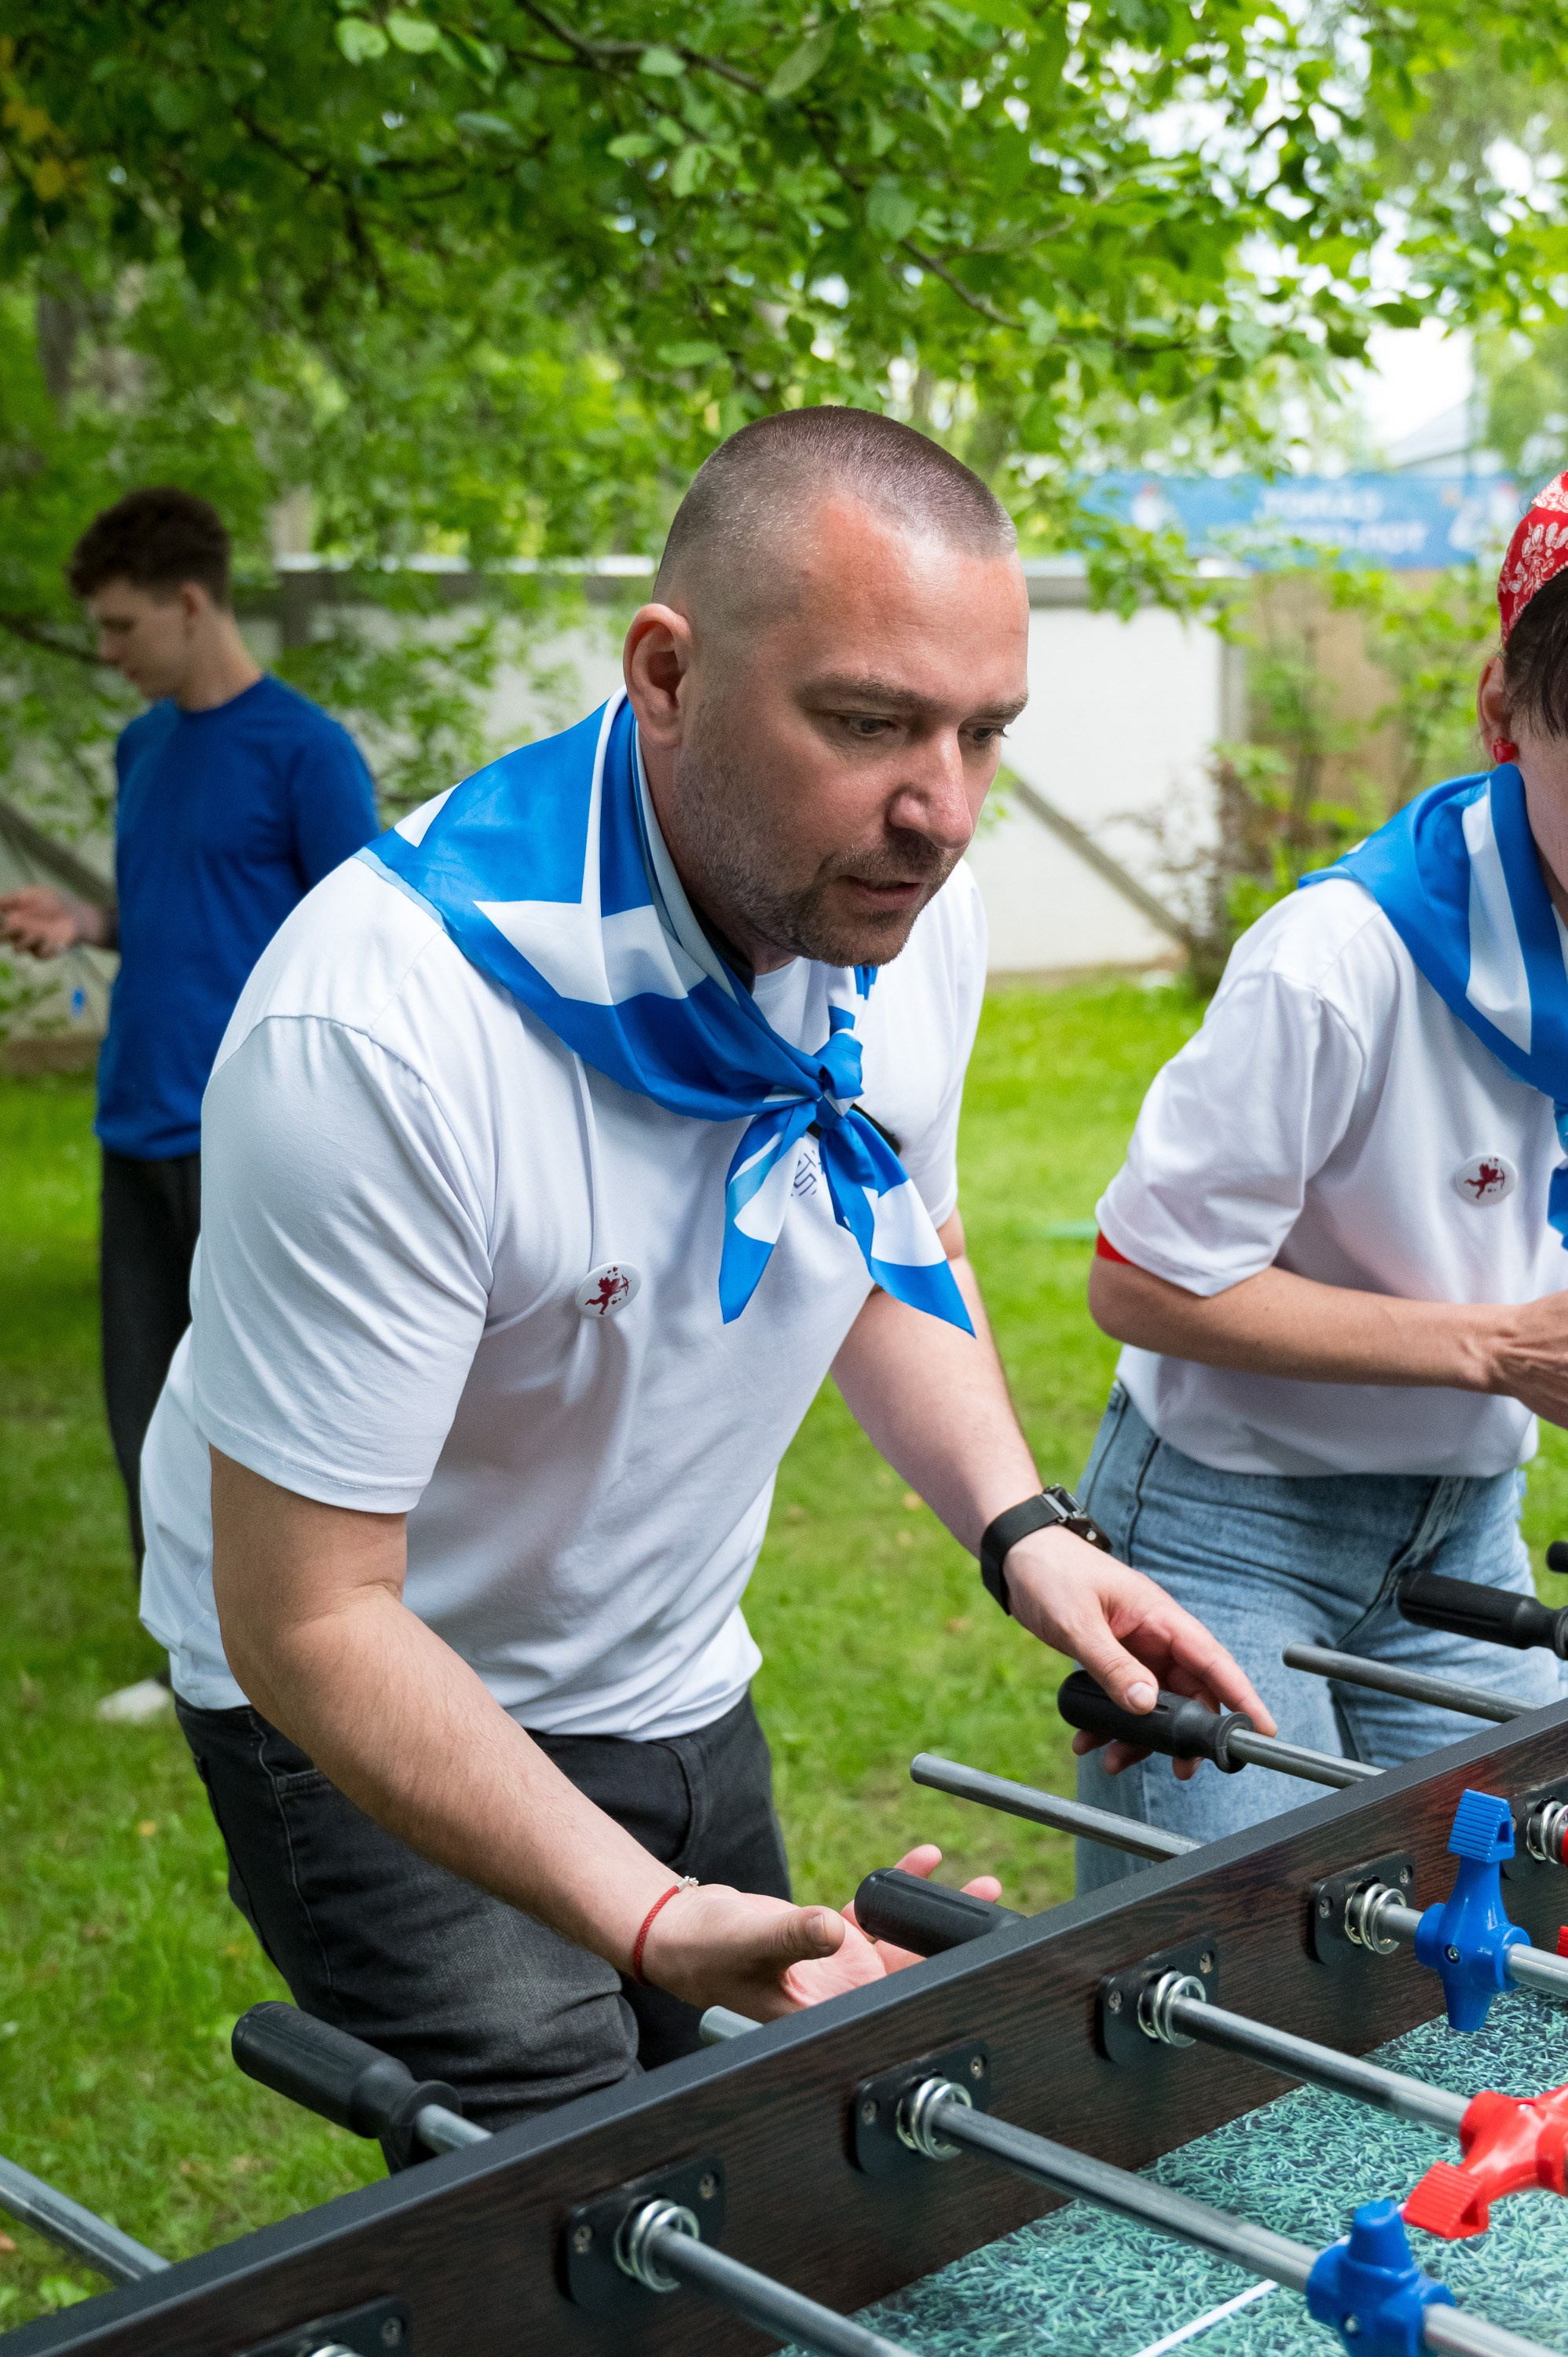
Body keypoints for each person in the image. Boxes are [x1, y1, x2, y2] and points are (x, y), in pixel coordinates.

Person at [138, 409, 1267, 2135]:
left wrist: (1024, 1529)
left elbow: (896, 1237)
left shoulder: (890, 908)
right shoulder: (377, 1030)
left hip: (668, 1660)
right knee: (577, 2195)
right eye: (869, 722)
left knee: (755, 2133)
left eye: (982, 734)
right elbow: (306, 1616)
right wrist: (649, 1916)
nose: (940, 809)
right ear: (663, 673)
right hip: (366, 1687)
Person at [1075, 473, 1568, 1887]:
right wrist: (1496, 1347)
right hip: (1228, 1521)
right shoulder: (1338, 960)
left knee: (1508, 1966)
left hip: (1466, 1521)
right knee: (1224, 2035)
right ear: (1502, 716)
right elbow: (1137, 1282)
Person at [0, 489, 379, 1607]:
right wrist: (85, 926)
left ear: (190, 601)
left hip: (253, 1129)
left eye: (121, 626)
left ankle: (274, 1634)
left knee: (254, 1407)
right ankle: (182, 1634)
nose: (107, 649)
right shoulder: (140, 746)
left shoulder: (306, 752)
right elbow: (178, 909)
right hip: (134, 1114)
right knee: (143, 1400)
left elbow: (369, 942)